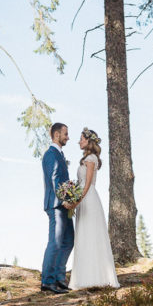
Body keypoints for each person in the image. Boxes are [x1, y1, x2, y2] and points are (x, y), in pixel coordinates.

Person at [69, 127, 119, 290]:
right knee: (84, 234)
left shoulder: (91, 158)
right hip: (83, 197)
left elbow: (88, 183)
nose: (79, 141)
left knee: (90, 234)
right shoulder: (86, 158)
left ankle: (94, 276)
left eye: (82, 139)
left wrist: (76, 200)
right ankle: (84, 275)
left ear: (89, 142)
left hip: (88, 197)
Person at [41, 122, 73, 294]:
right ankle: (48, 280)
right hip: (56, 204)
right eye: (65, 134)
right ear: (56, 135)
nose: (68, 137)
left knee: (69, 240)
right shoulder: (51, 154)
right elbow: (54, 178)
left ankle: (60, 278)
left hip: (65, 205)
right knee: (56, 241)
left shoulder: (60, 154)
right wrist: (64, 200)